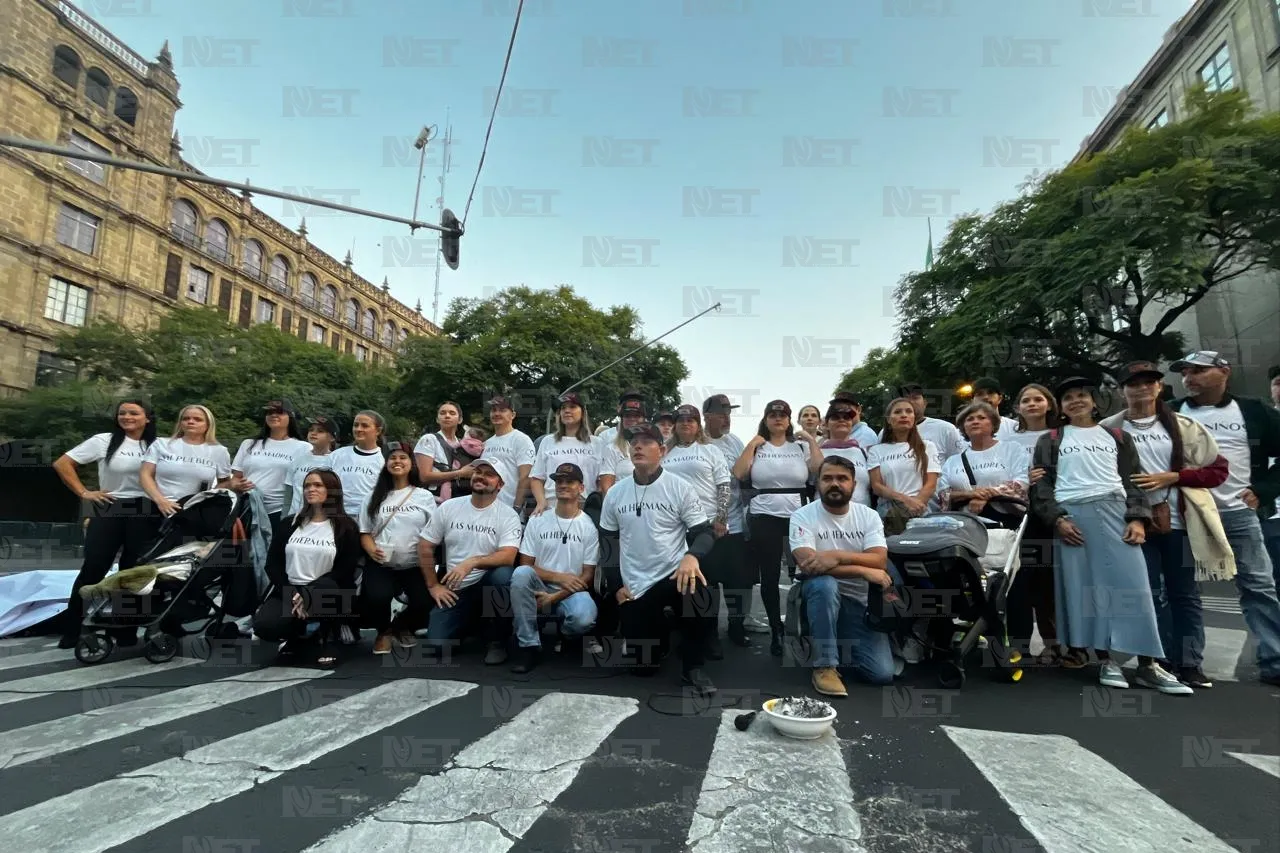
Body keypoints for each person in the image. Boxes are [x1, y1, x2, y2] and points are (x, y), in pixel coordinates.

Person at [1030, 377, 1190, 694]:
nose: (1076, 401)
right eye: (1069, 397)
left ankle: (1148, 665)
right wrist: (1058, 520)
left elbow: (1134, 481)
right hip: (1073, 516)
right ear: (1061, 407)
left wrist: (1138, 520)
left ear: (1094, 401)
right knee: (1088, 592)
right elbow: (1041, 486)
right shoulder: (1050, 439)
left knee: (1136, 588)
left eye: (1082, 395)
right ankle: (1106, 660)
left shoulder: (1116, 436)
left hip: (1117, 512)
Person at [1101, 361, 1233, 689]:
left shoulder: (1184, 426)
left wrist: (1175, 476)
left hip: (1181, 521)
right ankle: (1156, 661)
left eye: (1149, 382)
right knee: (1147, 592)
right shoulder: (1107, 429)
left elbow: (1217, 471)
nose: (1142, 388)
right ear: (1122, 391)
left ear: (1160, 387)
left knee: (1185, 594)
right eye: (1134, 383)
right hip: (1132, 523)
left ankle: (1188, 663)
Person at [1170, 351, 1280, 686]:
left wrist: (1263, 489)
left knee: (1258, 585)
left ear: (1224, 372)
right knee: (1182, 590)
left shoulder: (1254, 410)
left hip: (1239, 512)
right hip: (1187, 513)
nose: (1189, 378)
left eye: (1199, 371)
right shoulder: (1171, 412)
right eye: (1186, 372)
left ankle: (1274, 661)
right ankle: (1186, 663)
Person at [601, 422, 720, 696]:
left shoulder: (679, 487)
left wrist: (692, 556)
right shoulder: (615, 493)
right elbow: (607, 542)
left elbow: (704, 533)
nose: (638, 446)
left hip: (672, 574)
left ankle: (693, 666)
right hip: (636, 584)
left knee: (701, 594)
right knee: (643, 668)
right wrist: (616, 585)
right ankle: (662, 631)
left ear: (662, 450)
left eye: (646, 441)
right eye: (633, 442)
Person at [52, 399, 161, 649]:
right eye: (122, 413)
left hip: (146, 510)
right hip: (110, 506)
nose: (127, 417)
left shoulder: (159, 445)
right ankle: (72, 630)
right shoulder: (102, 440)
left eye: (134, 413)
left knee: (133, 573)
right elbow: (62, 463)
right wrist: (84, 492)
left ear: (148, 418)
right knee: (94, 568)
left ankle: (125, 630)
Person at [791, 456, 895, 696]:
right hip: (817, 596)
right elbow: (808, 564)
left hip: (858, 602)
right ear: (818, 483)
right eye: (828, 478)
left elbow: (878, 559)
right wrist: (861, 569)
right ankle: (824, 665)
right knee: (824, 585)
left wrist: (835, 556)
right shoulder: (803, 516)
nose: (835, 484)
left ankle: (834, 637)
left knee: (881, 673)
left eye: (842, 479)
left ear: (854, 485)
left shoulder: (868, 515)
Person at [732, 399, 823, 656]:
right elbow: (739, 473)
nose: (778, 418)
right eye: (772, 414)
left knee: (807, 570)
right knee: (769, 576)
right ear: (766, 418)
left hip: (799, 514)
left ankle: (806, 628)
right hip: (765, 515)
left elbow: (818, 470)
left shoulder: (800, 445)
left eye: (783, 415)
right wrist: (751, 444)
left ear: (789, 419)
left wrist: (813, 441)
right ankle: (776, 631)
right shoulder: (759, 446)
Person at [418, 455, 523, 664]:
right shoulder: (449, 507)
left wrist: (472, 562)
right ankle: (471, 624)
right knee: (439, 646)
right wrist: (433, 585)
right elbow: (425, 545)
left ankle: (497, 640)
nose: (481, 477)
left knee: (503, 575)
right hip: (455, 587)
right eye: (478, 472)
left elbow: (508, 556)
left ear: (500, 484)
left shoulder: (508, 515)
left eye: (490, 475)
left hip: (487, 582)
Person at [252, 469, 361, 667]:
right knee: (265, 626)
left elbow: (345, 569)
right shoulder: (289, 523)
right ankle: (296, 636)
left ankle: (329, 638)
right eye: (307, 485)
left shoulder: (346, 527)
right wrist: (292, 593)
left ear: (332, 490)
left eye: (318, 485)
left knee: (326, 589)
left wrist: (309, 593)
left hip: (329, 589)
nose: (311, 489)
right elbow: (273, 564)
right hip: (291, 589)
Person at [509, 463, 600, 673]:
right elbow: (526, 564)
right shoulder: (538, 520)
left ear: (581, 488)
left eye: (570, 481)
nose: (563, 485)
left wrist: (554, 598)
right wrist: (559, 578)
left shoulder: (589, 527)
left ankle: (567, 634)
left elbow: (587, 576)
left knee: (584, 618)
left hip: (572, 591)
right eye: (559, 481)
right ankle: (529, 646)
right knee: (520, 574)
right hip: (540, 583)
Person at [663, 404, 733, 659]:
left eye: (691, 420)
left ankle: (711, 635)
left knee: (708, 583)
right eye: (680, 420)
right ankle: (686, 635)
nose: (685, 424)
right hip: (673, 527)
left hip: (704, 525)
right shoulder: (665, 452)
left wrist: (721, 518)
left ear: (698, 424)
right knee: (681, 583)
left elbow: (723, 486)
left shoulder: (710, 450)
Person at [358, 441, 436, 655]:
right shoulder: (372, 497)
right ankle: (383, 632)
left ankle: (401, 625)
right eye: (393, 458)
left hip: (414, 563)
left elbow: (433, 533)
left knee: (425, 600)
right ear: (386, 463)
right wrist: (372, 550)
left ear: (412, 463)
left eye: (403, 457)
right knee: (377, 597)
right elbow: (364, 532)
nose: (397, 462)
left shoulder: (424, 496)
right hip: (381, 562)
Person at [702, 394, 752, 647]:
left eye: (728, 413)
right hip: (705, 524)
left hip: (734, 521)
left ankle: (736, 625)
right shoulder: (699, 442)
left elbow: (743, 476)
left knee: (739, 581)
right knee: (707, 582)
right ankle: (708, 632)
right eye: (721, 413)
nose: (726, 418)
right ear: (707, 416)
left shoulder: (734, 442)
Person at [139, 405, 232, 518]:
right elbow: (145, 474)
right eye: (186, 418)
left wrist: (209, 495)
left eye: (197, 419)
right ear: (180, 423)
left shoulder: (219, 451)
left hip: (194, 511)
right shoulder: (161, 444)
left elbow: (224, 482)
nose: (190, 422)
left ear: (208, 424)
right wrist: (161, 501)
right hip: (156, 507)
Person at [228, 399, 310, 528]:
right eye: (269, 412)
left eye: (279, 412)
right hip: (248, 509)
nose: (273, 415)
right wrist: (238, 485)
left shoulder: (304, 448)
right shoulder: (249, 444)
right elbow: (234, 479)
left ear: (291, 416)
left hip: (280, 511)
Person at [867, 397, 942, 536]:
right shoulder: (876, 450)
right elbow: (877, 486)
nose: (904, 415)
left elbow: (931, 483)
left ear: (914, 418)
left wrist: (916, 505)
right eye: (898, 412)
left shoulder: (927, 447)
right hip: (888, 513)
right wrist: (905, 501)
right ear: (889, 420)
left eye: (909, 411)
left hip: (921, 510)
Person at [530, 393, 604, 516]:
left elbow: (602, 480)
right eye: (563, 408)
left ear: (583, 412)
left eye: (572, 407)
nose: (567, 411)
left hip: (584, 509)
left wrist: (595, 505)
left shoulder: (597, 443)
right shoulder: (548, 441)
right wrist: (541, 502)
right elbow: (537, 478)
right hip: (551, 508)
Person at [480, 395, 536, 514]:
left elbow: (526, 477)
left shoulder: (521, 440)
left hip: (509, 509)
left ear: (513, 415)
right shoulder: (488, 443)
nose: (497, 413)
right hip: (485, 508)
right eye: (494, 410)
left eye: (502, 410)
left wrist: (517, 506)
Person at [328, 410, 387, 517]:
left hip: (366, 518)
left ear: (378, 431)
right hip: (336, 516)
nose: (358, 429)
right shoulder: (337, 455)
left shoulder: (384, 460)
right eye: (356, 425)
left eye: (365, 426)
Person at [414, 401, 474, 502]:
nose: (447, 416)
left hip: (461, 499)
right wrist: (460, 473)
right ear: (437, 419)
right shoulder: (429, 439)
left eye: (452, 413)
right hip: (434, 500)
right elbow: (424, 476)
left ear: (460, 420)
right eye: (442, 413)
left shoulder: (464, 444)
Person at [282, 416, 338, 518]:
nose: (313, 433)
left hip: (322, 519)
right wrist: (284, 518)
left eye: (320, 431)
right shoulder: (298, 459)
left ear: (332, 437)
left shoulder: (336, 461)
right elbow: (288, 495)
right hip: (294, 517)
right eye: (311, 430)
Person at [898, 383, 966, 462]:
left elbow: (958, 462)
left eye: (915, 398)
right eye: (906, 399)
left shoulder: (946, 429)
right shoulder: (888, 432)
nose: (911, 402)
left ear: (925, 403)